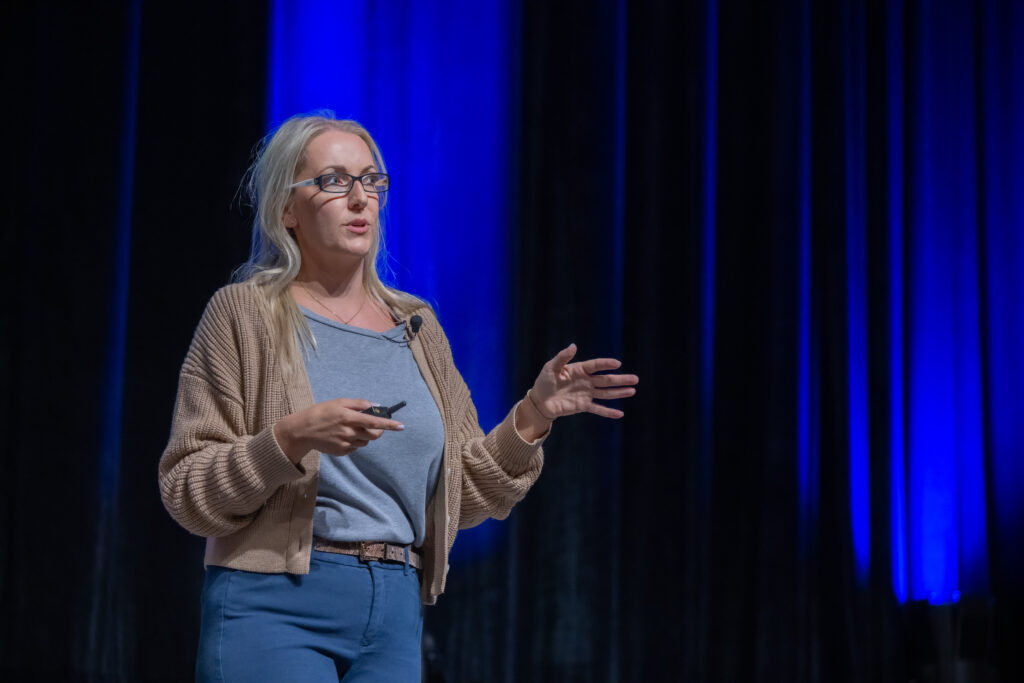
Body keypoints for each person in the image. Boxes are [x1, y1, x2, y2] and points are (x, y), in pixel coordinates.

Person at [158, 112, 638, 682]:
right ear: (287, 209)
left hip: (393, 611)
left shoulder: (416, 326)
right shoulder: (244, 315)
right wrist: (288, 440)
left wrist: (532, 415)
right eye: (334, 180)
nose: (360, 198)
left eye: (372, 181)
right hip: (274, 604)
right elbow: (187, 489)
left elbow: (467, 494)